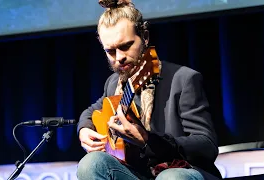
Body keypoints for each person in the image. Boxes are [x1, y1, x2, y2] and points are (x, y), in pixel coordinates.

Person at [76, 0, 222, 179]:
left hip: (182, 171)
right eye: (110, 51)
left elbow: (206, 145)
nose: (119, 58)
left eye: (126, 46)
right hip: (140, 174)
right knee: (91, 163)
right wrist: (84, 129)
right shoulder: (114, 83)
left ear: (145, 36)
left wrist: (148, 141)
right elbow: (91, 112)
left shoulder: (184, 79)